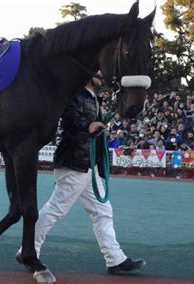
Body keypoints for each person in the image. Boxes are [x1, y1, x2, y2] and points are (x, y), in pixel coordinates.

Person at [16, 73, 145, 274]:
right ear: (88, 73)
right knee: (56, 209)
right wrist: (88, 125)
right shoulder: (74, 94)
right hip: (75, 162)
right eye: (98, 71)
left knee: (102, 211)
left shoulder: (92, 95)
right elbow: (70, 119)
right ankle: (28, 249)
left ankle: (115, 259)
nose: (102, 74)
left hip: (86, 163)